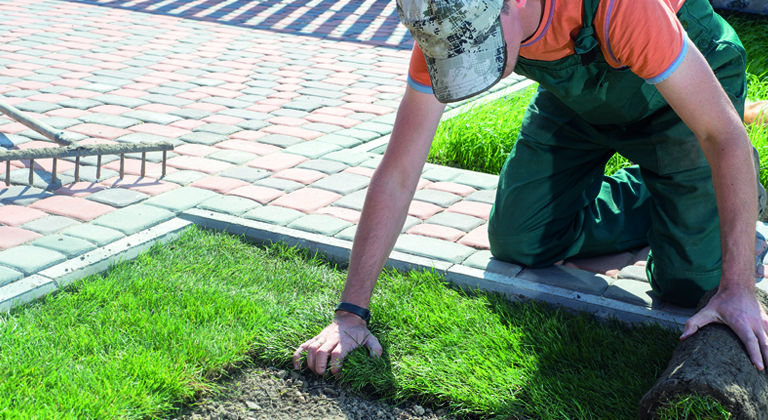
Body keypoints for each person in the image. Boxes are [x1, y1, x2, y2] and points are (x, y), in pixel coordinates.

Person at [293, 0, 768, 376]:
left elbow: (719, 136)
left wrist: (739, 289)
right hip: (578, 101)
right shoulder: (445, 23)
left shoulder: (623, 6)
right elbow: (399, 169)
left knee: (689, 286)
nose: (474, 73)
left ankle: (727, 192)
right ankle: (688, 199)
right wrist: (350, 313)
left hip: (682, 97)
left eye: (484, 54)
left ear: (513, 4)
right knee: (519, 239)